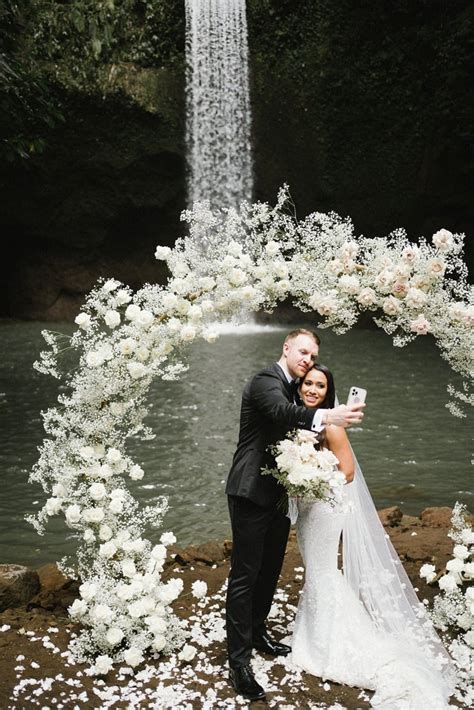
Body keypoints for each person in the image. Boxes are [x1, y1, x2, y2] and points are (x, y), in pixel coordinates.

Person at [291, 363, 455, 709]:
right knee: (317, 572)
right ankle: (317, 635)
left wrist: (309, 475)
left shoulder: (332, 424)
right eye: (309, 383)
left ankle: (332, 645)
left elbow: (347, 471)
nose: (313, 390)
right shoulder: (301, 419)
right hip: (310, 506)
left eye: (320, 385)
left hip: (326, 505)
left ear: (328, 391)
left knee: (322, 572)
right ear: (300, 385)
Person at [225, 329, 365, 701]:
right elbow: (281, 413)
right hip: (251, 491)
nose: (307, 358)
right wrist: (329, 414)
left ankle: (257, 633)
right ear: (286, 348)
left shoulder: (297, 386)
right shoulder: (266, 381)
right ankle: (238, 663)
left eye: (313, 354)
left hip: (279, 497)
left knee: (270, 568)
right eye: (302, 351)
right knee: (245, 574)